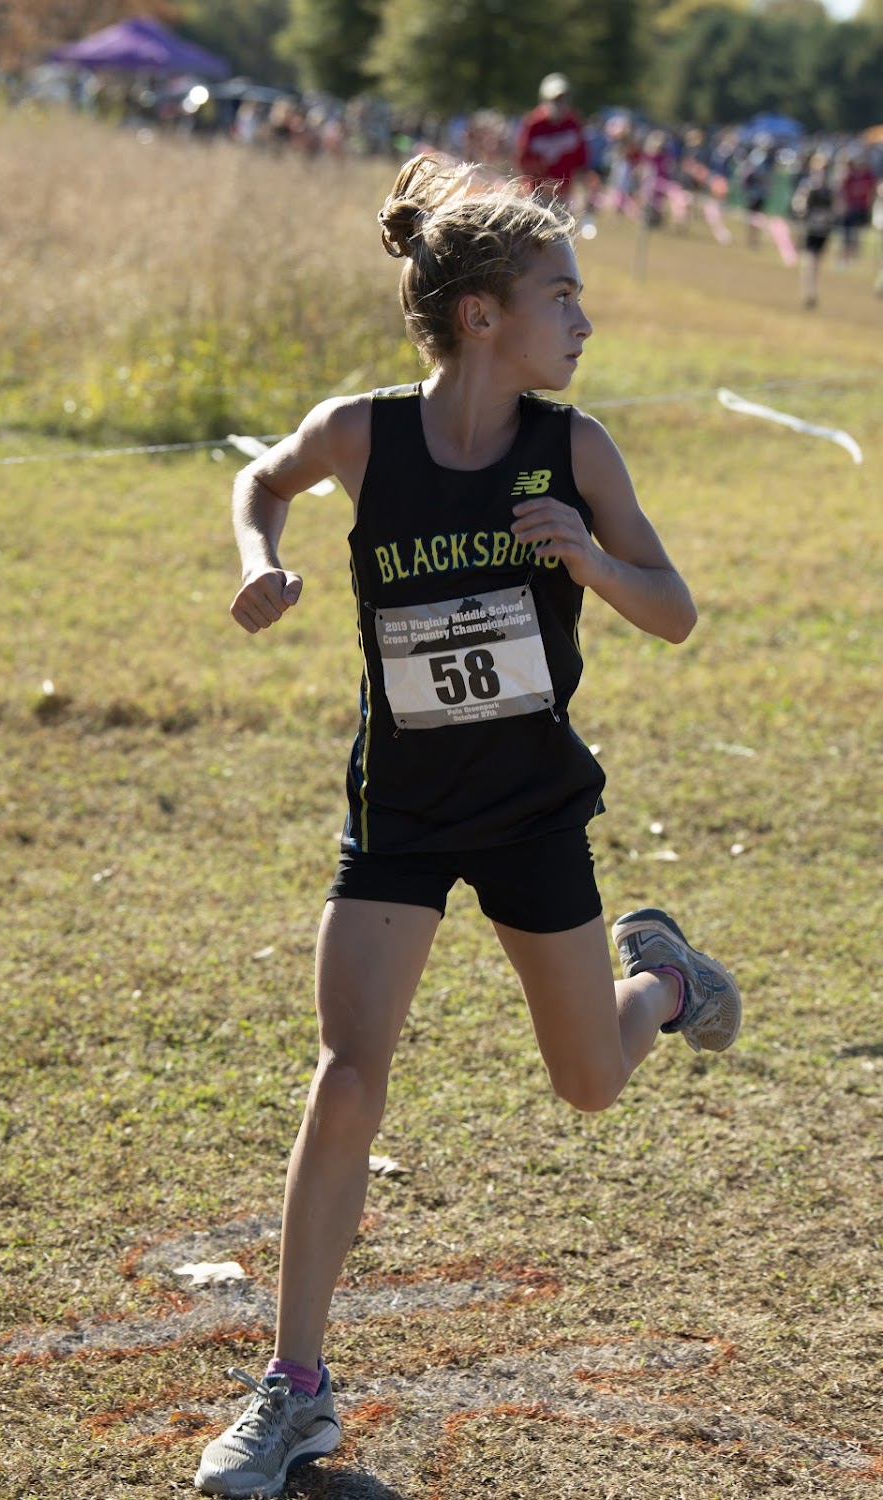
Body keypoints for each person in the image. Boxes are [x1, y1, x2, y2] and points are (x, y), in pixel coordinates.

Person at [194, 153, 742, 1499]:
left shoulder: (576, 448)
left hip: (529, 809)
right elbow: (261, 480)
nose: (585, 321)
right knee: (347, 1075)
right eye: (564, 295)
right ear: (483, 314)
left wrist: (589, 559)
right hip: (400, 809)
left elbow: (675, 612)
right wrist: (262, 561)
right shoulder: (360, 435)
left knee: (588, 1081)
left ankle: (667, 983)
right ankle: (295, 1391)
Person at [513, 72, 588, 207]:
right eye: (555, 100)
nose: (560, 105)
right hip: (537, 192)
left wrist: (580, 189)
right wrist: (541, 182)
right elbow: (523, 160)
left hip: (564, 192)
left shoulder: (573, 124)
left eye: (564, 99)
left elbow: (581, 159)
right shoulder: (534, 124)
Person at [790, 152, 836, 308]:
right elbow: (799, 205)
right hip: (810, 227)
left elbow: (836, 207)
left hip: (823, 228)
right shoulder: (808, 185)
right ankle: (808, 291)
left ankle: (812, 289)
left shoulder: (829, 187)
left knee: (817, 260)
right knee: (809, 258)